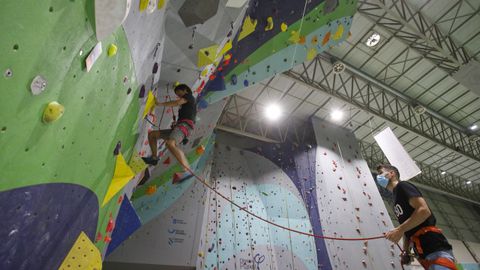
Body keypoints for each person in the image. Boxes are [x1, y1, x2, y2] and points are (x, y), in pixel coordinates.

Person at [377, 164, 457, 270]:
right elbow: (407, 228)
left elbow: (423, 211)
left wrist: (399, 230)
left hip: (432, 245)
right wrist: (406, 250)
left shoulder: (402, 186)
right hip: (422, 250)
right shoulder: (395, 199)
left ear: (392, 174)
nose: (378, 176)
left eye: (380, 173)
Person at [142, 84, 196, 183]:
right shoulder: (187, 104)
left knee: (170, 144)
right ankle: (154, 158)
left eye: (179, 93)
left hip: (185, 126)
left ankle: (187, 170)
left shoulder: (189, 96)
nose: (179, 96)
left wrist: (160, 104)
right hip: (181, 126)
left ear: (185, 90)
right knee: (152, 135)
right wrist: (176, 124)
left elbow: (176, 103)